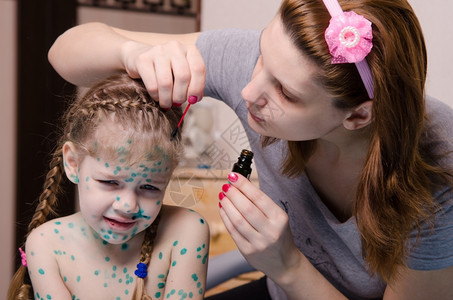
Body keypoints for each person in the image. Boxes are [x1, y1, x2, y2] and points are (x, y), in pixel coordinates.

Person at [47, 0, 453, 299]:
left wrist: (287, 265)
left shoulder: (440, 165)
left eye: (286, 94)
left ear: (358, 117)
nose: (248, 90)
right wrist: (131, 54)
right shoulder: (255, 68)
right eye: (261, 55)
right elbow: (66, 51)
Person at [8, 73, 210, 300]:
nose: (128, 206)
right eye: (110, 182)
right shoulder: (47, 244)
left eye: (150, 187)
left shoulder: (185, 230)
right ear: (73, 164)